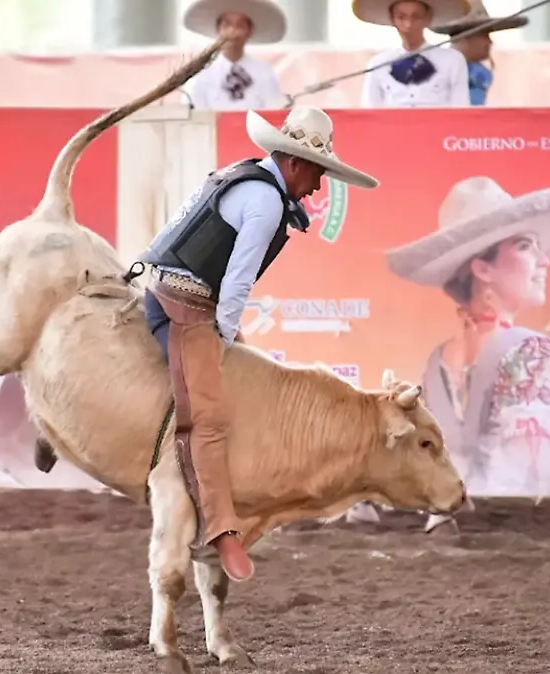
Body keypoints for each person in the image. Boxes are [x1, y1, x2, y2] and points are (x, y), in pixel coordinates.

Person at [128, 106, 378, 581]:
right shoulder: (264, 204)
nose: (318, 186)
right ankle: (221, 531)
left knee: (233, 388)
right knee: (209, 418)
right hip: (187, 306)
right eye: (319, 173)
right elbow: (238, 280)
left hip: (167, 290)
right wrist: (222, 336)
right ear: (297, 164)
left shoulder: (240, 177)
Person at [385, 176, 550, 508]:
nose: (543, 259)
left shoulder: (439, 362)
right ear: (483, 269)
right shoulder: (528, 351)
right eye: (524, 246)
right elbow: (544, 475)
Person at [353, 0, 471, 108]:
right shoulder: (378, 65)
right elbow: (369, 113)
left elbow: (461, 110)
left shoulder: (452, 61)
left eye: (416, 17)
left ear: (428, 18)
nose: (408, 24)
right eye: (401, 17)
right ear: (392, 19)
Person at [181, 0, 287, 110]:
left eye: (240, 26)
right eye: (227, 25)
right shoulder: (201, 73)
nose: (232, 31)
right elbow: (193, 115)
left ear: (249, 31)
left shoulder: (264, 72)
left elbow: (273, 111)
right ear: (218, 30)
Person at [429, 0, 528, 106]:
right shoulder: (431, 74)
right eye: (485, 35)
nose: (490, 42)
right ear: (464, 37)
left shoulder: (480, 73)